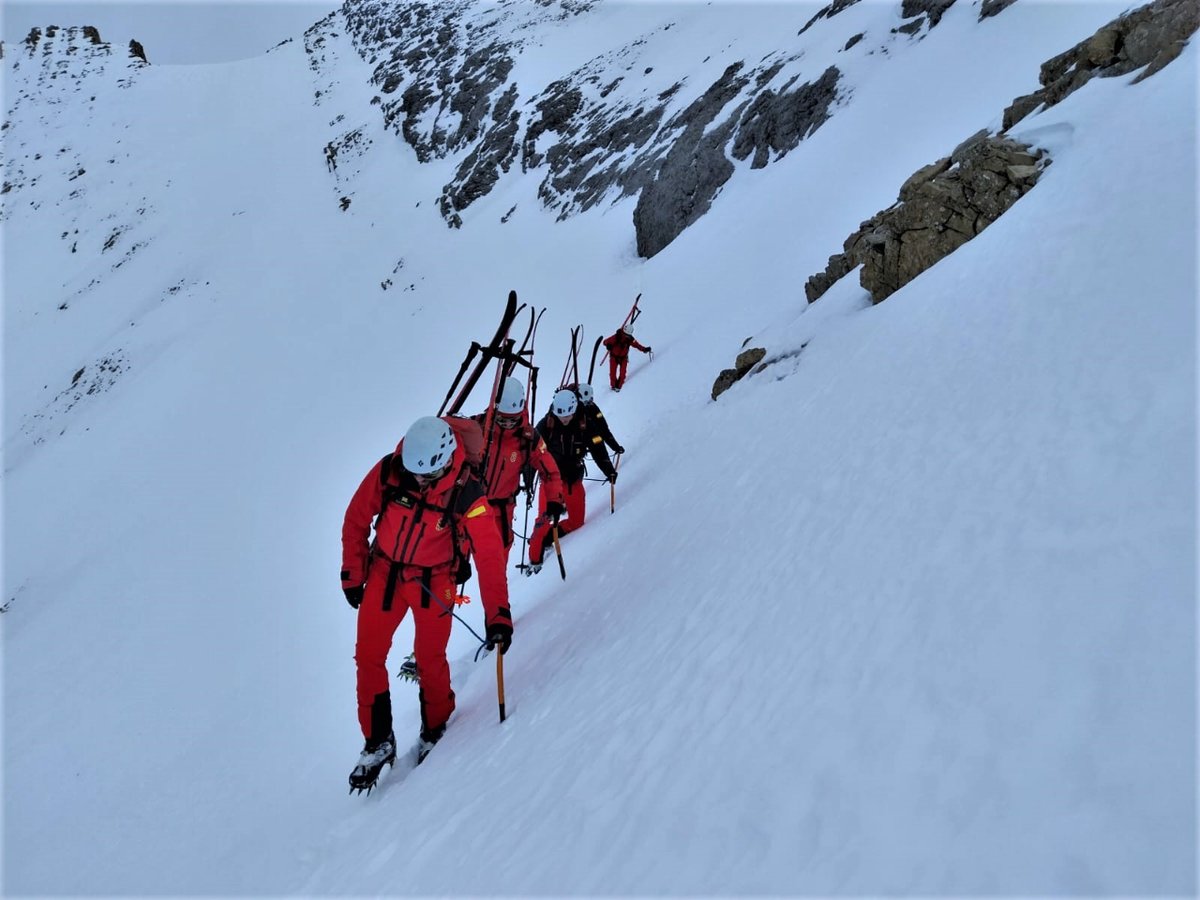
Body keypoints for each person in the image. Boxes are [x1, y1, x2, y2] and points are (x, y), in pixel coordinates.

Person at [341, 415, 513, 792]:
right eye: (414, 475)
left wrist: (498, 614)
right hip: (385, 574)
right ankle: (378, 741)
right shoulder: (392, 470)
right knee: (367, 657)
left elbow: (488, 554)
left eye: (426, 477)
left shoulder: (467, 492)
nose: (418, 482)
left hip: (436, 581)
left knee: (429, 656)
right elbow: (356, 517)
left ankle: (435, 725)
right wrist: (353, 574)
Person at [472, 376, 566, 567]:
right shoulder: (476, 428)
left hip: (502, 510)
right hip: (470, 507)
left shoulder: (528, 438)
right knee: (453, 562)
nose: (507, 424)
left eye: (512, 419)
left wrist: (555, 499)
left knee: (497, 562)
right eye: (502, 419)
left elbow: (550, 471)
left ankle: (499, 598)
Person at [525, 389, 617, 575]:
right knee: (541, 523)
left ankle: (550, 536)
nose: (564, 419)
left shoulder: (585, 424)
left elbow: (598, 448)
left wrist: (609, 470)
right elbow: (530, 453)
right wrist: (527, 482)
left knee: (576, 522)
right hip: (550, 482)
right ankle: (534, 560)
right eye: (561, 415)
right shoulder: (546, 425)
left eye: (568, 415)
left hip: (573, 479)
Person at [602, 322, 652, 392]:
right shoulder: (617, 336)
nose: (627, 337)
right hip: (613, 357)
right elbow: (605, 342)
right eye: (626, 335)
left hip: (623, 358)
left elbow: (637, 345)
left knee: (623, 374)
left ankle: (619, 388)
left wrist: (644, 349)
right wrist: (608, 345)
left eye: (628, 335)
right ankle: (613, 387)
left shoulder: (630, 339)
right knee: (612, 374)